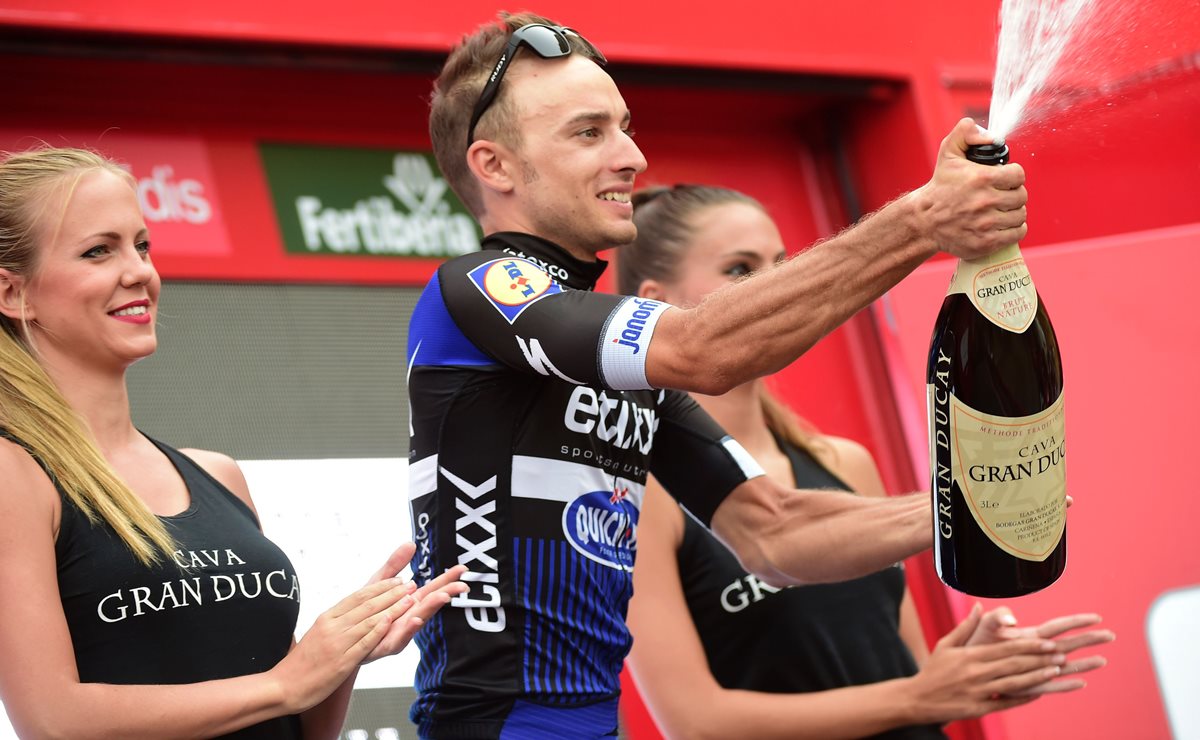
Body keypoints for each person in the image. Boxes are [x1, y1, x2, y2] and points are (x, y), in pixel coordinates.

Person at [408, 12, 1050, 739]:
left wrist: (973, 506)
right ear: (494, 167)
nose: (630, 157)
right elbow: (700, 351)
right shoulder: (481, 287)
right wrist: (922, 221)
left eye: (625, 127)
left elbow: (773, 535)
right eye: (589, 133)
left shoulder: (618, 365)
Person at [0, 146, 469, 739]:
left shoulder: (218, 475)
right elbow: (52, 722)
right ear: (14, 294)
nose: (138, 270)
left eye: (141, 245)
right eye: (99, 250)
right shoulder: (14, 474)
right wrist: (288, 681)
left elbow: (296, 724)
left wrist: (343, 655)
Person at [620, 184, 1113, 739]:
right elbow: (697, 723)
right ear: (656, 302)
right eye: (740, 268)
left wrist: (963, 675)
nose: (775, 284)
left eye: (781, 264)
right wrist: (918, 695)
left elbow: (907, 680)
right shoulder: (644, 494)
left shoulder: (843, 463)